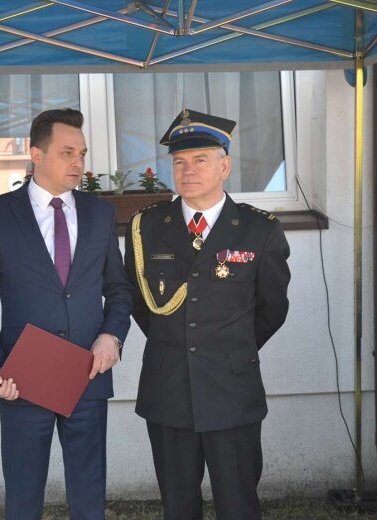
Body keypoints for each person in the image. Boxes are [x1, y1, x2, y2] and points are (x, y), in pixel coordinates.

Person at [0, 108, 132, 520]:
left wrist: (112, 336)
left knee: (89, 500)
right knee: (23, 500)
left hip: (87, 374)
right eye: (67, 152)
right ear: (36, 154)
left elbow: (119, 289)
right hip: (23, 379)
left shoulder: (100, 214)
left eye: (82, 153)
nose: (78, 162)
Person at [124, 108, 290, 520]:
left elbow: (272, 308)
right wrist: (178, 343)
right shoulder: (147, 227)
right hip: (168, 389)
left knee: (238, 505)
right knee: (178, 507)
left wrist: (229, 349)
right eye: (179, 161)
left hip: (232, 389)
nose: (188, 170)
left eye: (200, 160)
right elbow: (140, 303)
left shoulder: (258, 229)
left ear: (224, 167)